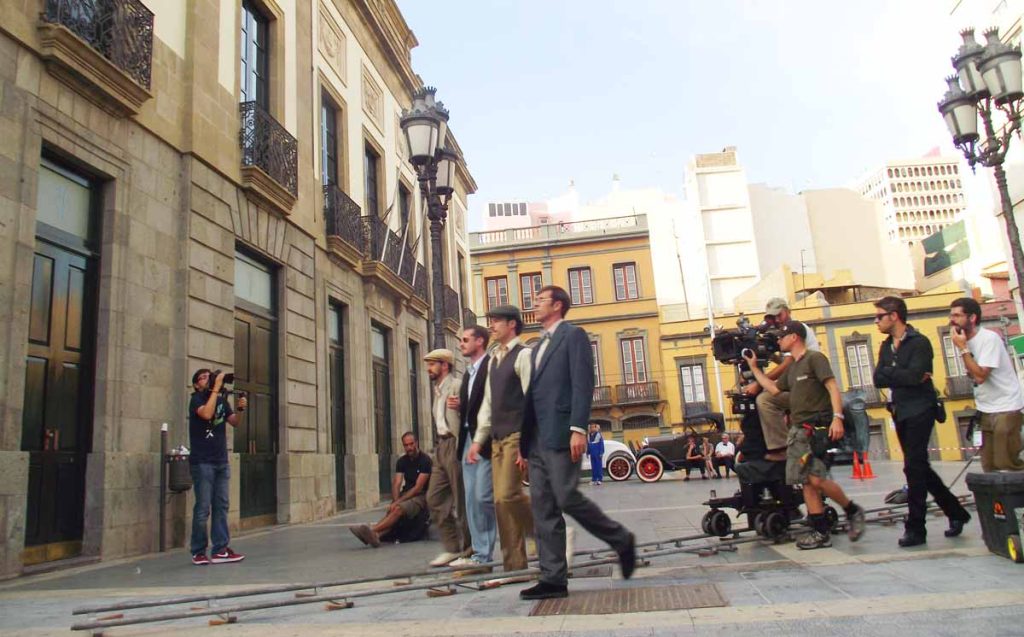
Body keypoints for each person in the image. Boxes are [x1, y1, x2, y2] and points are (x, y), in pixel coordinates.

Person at [519, 286, 636, 600]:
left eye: (540, 299)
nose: (534, 303)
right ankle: (553, 579)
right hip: (537, 438)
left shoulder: (574, 336)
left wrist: (578, 428)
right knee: (542, 507)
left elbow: (583, 381)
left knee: (566, 497)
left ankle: (621, 539)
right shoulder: (537, 345)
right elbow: (533, 395)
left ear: (557, 305)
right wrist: (524, 441)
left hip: (561, 431)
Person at [743, 320, 866, 550]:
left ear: (794, 337)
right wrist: (755, 369)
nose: (778, 340)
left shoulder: (814, 359)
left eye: (782, 336)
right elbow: (775, 390)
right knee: (806, 482)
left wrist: (837, 417)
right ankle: (820, 531)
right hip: (798, 433)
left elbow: (832, 387)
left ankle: (851, 509)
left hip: (816, 430)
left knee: (816, 479)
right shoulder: (794, 367)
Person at [872, 296, 971, 547]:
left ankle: (916, 527)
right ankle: (956, 512)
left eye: (880, 316)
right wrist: (902, 375)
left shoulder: (920, 342)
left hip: (921, 409)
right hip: (900, 410)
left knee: (913, 466)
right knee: (919, 467)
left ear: (894, 316)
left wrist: (895, 373)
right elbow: (878, 378)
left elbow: (917, 375)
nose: (877, 321)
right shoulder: (886, 346)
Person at [476, 304, 536, 574]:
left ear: (512, 324)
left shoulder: (524, 356)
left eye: (497, 320)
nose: (492, 325)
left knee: (506, 495)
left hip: (516, 435)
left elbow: (531, 400)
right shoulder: (492, 359)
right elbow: (488, 403)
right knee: (501, 502)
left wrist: (527, 444)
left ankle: (547, 531)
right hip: (498, 438)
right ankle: (514, 565)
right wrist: (479, 439)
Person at [949, 297, 1024, 471]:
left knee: (1006, 462)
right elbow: (972, 374)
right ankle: (994, 498)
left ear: (972, 318)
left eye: (957, 315)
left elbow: (981, 376)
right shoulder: (964, 341)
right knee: (989, 465)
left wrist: (963, 349)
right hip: (986, 408)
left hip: (1006, 407)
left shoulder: (989, 339)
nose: (952, 320)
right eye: (951, 316)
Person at [447, 326, 496, 569]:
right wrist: (460, 405)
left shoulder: (491, 367)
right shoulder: (468, 372)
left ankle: (484, 552)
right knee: (470, 500)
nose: (461, 344)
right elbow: (473, 405)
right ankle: (479, 553)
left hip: (485, 440)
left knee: (482, 496)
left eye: (465, 340)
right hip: (466, 439)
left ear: (480, 341)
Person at [747, 298, 820, 461]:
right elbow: (790, 363)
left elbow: (787, 365)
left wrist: (759, 383)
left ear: (787, 310)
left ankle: (781, 448)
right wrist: (768, 354)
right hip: (799, 385)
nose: (777, 320)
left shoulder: (796, 330)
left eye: (778, 315)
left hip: (806, 390)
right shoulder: (785, 333)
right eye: (773, 317)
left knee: (764, 400)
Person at [188, 368, 247, 565]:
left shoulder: (221, 401)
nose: (208, 379)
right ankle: (198, 551)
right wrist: (215, 390)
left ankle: (220, 549)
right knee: (203, 508)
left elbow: (235, 423)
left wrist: (240, 409)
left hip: (221, 460)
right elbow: (206, 414)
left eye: (209, 376)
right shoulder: (196, 399)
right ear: (197, 384)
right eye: (203, 377)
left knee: (221, 505)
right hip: (202, 461)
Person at [423, 349, 472, 567]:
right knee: (434, 498)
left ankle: (469, 550)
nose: (428, 368)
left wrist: (461, 408)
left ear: (445, 366)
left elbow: (473, 413)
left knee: (461, 500)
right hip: (440, 446)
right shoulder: (438, 390)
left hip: (455, 443)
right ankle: (452, 547)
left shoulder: (457, 385)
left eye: (432, 364)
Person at [350, 432, 432, 547]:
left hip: (421, 496)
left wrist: (398, 503)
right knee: (393, 510)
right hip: (407, 494)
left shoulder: (425, 461)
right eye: (406, 445)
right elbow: (396, 483)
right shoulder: (402, 461)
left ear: (417, 443)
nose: (409, 448)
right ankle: (375, 536)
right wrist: (395, 500)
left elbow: (418, 488)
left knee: (398, 509)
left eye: (411, 444)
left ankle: (371, 530)